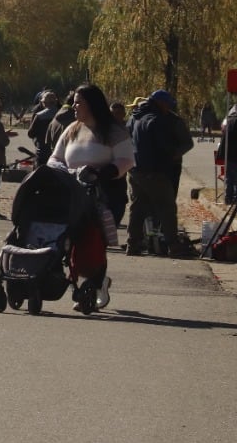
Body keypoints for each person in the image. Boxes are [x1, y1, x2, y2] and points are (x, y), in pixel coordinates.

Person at [47, 83, 133, 310]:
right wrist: (63, 171)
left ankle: (94, 286)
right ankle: (88, 281)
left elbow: (126, 160)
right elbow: (55, 158)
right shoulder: (72, 129)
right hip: (74, 194)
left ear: (92, 104)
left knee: (96, 240)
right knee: (72, 239)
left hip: (106, 195)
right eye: (74, 101)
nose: (73, 106)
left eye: (78, 102)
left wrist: (101, 173)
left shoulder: (113, 130)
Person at [127, 89, 194, 258]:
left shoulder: (135, 117)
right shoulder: (161, 121)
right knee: (167, 207)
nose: (168, 108)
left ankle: (132, 244)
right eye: (167, 105)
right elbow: (167, 147)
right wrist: (173, 156)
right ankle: (173, 245)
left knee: (138, 208)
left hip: (135, 170)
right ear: (161, 104)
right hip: (155, 171)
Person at [27, 90, 60, 167]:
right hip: (58, 153)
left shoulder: (39, 116)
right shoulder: (63, 114)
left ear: (44, 103)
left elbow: (30, 133)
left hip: (42, 153)